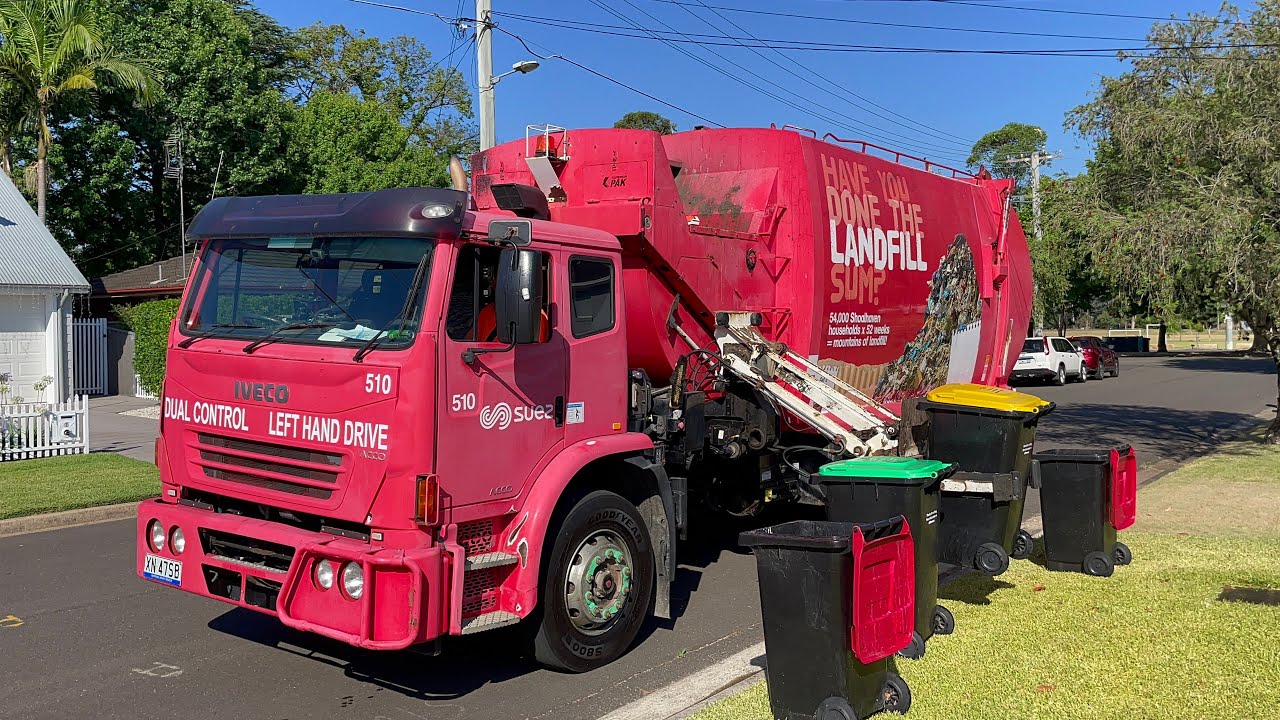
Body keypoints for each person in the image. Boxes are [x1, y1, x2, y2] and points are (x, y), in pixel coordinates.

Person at [476, 271, 551, 342]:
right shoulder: (486, 312)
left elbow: (535, 351)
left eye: (508, 280)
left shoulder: (536, 316)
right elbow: (473, 345)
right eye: (494, 280)